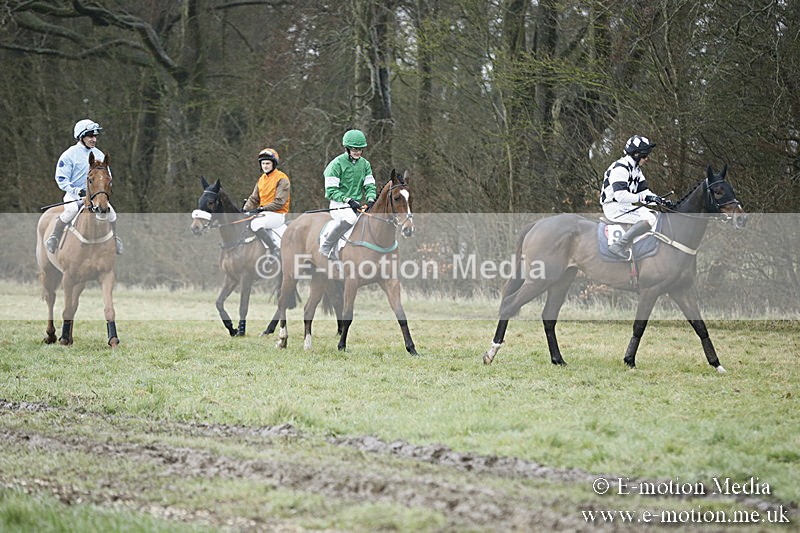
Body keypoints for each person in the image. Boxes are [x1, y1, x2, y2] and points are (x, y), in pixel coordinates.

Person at [45, 119, 123, 255]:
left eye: (95, 136)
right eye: (90, 136)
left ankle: (115, 239)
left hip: (95, 196)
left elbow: (107, 176)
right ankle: (54, 237)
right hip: (74, 195)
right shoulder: (69, 155)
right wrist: (76, 190)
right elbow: (61, 179)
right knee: (70, 211)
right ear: (81, 137)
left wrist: (102, 191)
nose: (94, 139)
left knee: (112, 214)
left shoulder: (99, 155)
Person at [600, 134, 673, 259]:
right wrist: (645, 198)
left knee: (656, 215)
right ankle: (618, 245)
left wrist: (660, 201)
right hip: (613, 207)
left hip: (625, 206)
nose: (646, 159)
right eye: (644, 155)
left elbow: (644, 192)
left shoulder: (636, 170)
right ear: (636, 154)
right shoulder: (620, 168)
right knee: (650, 218)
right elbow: (620, 196)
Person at [318, 129, 377, 260]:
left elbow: (369, 185)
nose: (357, 152)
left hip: (357, 205)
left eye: (360, 149)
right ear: (347, 148)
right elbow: (331, 191)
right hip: (339, 204)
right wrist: (348, 200)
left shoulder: (365, 164)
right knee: (351, 219)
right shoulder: (336, 165)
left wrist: (371, 199)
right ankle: (326, 247)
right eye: (354, 149)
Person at [242, 148, 290, 256]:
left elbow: (279, 202)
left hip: (277, 214)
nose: (265, 166)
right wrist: (245, 209)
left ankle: (274, 249)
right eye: (263, 163)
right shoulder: (261, 179)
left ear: (274, 164)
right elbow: (254, 198)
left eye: (268, 163)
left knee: (255, 223)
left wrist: (262, 209)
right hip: (264, 213)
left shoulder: (282, 179)